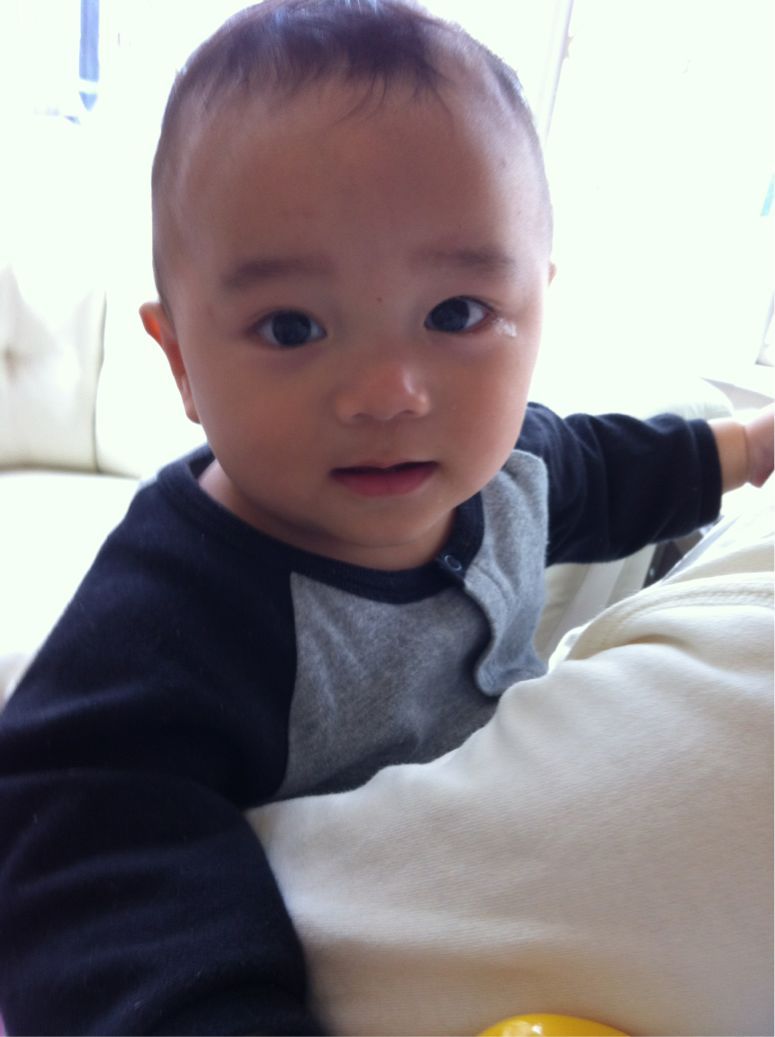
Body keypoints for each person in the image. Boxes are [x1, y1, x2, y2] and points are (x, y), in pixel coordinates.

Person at [0, 1, 771, 1033]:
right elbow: (87, 847)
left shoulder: (513, 465)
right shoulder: (175, 614)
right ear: (180, 360)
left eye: (456, 314)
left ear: (536, 310)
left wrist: (747, 447)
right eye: (292, 326)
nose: (387, 392)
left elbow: (609, 470)